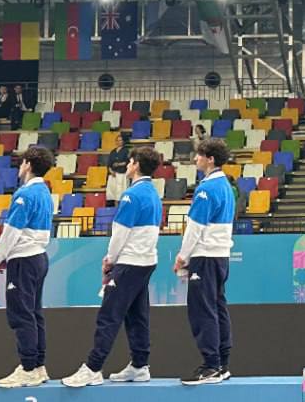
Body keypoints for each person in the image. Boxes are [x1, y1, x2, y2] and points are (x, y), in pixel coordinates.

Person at [62, 147, 164, 387]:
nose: (127, 165)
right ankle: (140, 365)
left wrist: (110, 260)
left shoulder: (132, 195)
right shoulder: (153, 193)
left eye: (130, 161)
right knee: (137, 315)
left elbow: (120, 233)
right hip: (146, 261)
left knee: (109, 316)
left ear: (136, 165)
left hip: (129, 262)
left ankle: (93, 368)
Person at [0, 145, 55, 388]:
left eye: (22, 162)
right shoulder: (45, 192)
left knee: (21, 315)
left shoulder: (25, 194)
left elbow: (12, 231)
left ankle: (28, 368)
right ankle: (37, 366)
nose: (19, 166)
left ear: (28, 165)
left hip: (24, 261)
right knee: (34, 314)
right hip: (38, 257)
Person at [174, 139, 236, 385]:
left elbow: (195, 228)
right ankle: (222, 364)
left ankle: (211, 366)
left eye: (199, 155)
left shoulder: (206, 189)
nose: (195, 159)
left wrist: (183, 256)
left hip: (205, 256)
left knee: (203, 311)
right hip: (220, 256)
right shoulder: (226, 186)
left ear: (210, 159)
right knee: (218, 308)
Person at [106, 132, 132, 203]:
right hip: (113, 175)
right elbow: (109, 163)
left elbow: (128, 162)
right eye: (117, 140)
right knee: (114, 194)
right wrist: (111, 171)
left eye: (120, 140)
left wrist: (119, 164)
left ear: (123, 141)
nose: (118, 142)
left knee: (122, 194)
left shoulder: (126, 151)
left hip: (122, 174)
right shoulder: (113, 152)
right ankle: (116, 208)